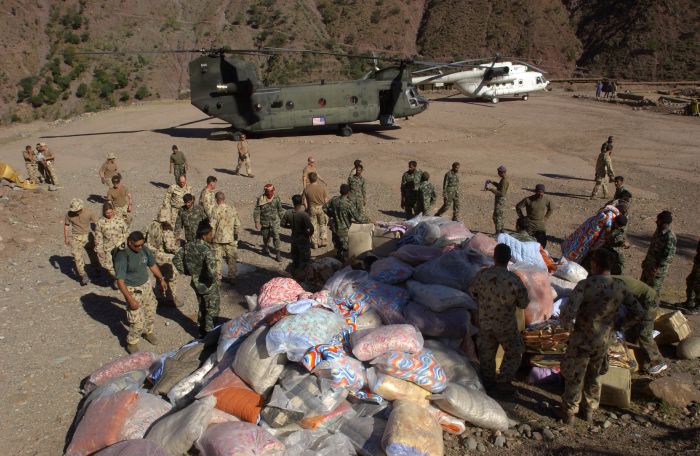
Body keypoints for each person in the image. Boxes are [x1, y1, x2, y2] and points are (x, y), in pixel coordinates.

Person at [559, 249, 643, 424]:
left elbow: (569, 312)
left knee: (575, 375)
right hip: (604, 340)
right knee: (594, 375)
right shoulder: (620, 287)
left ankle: (569, 412)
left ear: (595, 263)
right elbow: (638, 311)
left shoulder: (585, 285)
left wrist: (569, 328)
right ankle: (589, 410)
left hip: (581, 338)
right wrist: (619, 326)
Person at [469, 244, 529, 389]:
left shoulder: (483, 275)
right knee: (514, 351)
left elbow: (472, 291)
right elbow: (523, 303)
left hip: (485, 323)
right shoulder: (514, 280)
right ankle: (503, 381)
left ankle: (487, 382)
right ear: (509, 259)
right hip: (505, 325)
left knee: (486, 354)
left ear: (494, 257)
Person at [114, 231, 167, 353]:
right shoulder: (123, 256)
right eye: (137, 245)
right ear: (129, 242)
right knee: (137, 321)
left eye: (142, 244)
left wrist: (161, 278)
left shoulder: (144, 249)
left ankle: (148, 332)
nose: (139, 247)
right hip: (132, 289)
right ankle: (132, 342)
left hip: (146, 285)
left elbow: (152, 265)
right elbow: (120, 281)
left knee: (151, 310)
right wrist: (130, 299)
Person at [612, 274, 667, 375]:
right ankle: (645, 363)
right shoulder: (609, 280)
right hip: (640, 302)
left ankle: (658, 362)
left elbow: (636, 310)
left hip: (649, 302)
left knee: (644, 334)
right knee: (635, 330)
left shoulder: (614, 284)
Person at [173, 221, 220, 336]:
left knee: (202, 306)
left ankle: (201, 331)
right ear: (204, 236)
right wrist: (212, 278)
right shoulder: (207, 250)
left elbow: (176, 259)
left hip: (196, 282)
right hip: (208, 284)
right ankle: (210, 334)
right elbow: (212, 270)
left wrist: (186, 271)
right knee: (212, 309)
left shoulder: (188, 245)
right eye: (210, 234)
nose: (212, 236)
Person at [323, 184, 369, 261]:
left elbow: (324, 207)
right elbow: (358, 218)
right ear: (348, 192)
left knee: (337, 247)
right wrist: (369, 221)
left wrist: (332, 215)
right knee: (346, 249)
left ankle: (338, 261)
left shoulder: (334, 200)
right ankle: (345, 265)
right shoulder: (348, 204)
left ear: (340, 191)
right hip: (344, 230)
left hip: (335, 228)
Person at [145, 206, 180, 305]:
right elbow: (170, 247)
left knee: (158, 275)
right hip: (163, 257)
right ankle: (171, 298)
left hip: (151, 256)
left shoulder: (151, 224)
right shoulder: (166, 229)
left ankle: (158, 297)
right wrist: (180, 250)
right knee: (172, 276)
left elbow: (143, 236)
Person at [640, 210, 676, 295]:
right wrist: (646, 261)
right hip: (649, 265)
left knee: (653, 291)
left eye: (658, 220)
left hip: (657, 270)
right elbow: (652, 247)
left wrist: (656, 269)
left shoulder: (670, 237)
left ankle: (651, 307)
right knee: (642, 287)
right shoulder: (658, 231)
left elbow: (668, 257)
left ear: (664, 223)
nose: (656, 221)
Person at [64, 198, 98, 286]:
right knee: (77, 256)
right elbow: (66, 225)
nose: (76, 212)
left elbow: (96, 224)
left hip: (88, 235)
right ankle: (83, 275)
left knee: (92, 253)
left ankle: (97, 268)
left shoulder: (89, 212)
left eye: (78, 210)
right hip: (76, 237)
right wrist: (66, 237)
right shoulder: (69, 214)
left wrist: (98, 236)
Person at [94, 202, 129, 285]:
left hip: (120, 246)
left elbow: (126, 232)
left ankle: (123, 280)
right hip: (108, 247)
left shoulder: (119, 219)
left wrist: (122, 240)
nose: (109, 214)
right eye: (107, 213)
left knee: (122, 263)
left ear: (113, 210)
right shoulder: (100, 222)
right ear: (104, 212)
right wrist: (100, 250)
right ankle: (118, 278)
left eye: (111, 212)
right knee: (109, 266)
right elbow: (98, 237)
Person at [210, 191, 241, 283]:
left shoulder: (215, 210)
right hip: (230, 238)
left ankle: (218, 278)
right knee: (231, 259)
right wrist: (235, 235)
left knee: (217, 260)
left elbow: (212, 225)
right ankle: (232, 277)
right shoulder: (232, 208)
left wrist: (211, 238)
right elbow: (237, 224)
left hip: (218, 239)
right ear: (224, 198)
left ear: (216, 200)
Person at [281, 194, 314, 271]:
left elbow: (282, 224)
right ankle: (304, 273)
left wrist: (291, 227)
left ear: (293, 202)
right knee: (305, 258)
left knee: (295, 257)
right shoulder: (304, 215)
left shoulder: (288, 213)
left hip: (294, 237)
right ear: (302, 202)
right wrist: (309, 235)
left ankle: (295, 273)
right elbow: (311, 228)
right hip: (303, 238)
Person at [254, 184, 284, 261]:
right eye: (268, 192)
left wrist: (283, 220)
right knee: (265, 236)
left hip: (275, 222)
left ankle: (278, 254)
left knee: (276, 237)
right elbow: (257, 211)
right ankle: (266, 247)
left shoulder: (276, 198)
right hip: (265, 222)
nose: (270, 193)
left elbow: (280, 210)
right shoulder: (261, 199)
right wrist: (256, 222)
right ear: (265, 191)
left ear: (273, 190)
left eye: (271, 191)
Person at [303, 172, 329, 249]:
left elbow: (304, 200)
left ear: (309, 179)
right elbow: (326, 200)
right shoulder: (322, 187)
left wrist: (307, 208)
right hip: (321, 208)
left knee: (313, 225)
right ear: (316, 178)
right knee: (322, 224)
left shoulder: (307, 188)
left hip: (312, 208)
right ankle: (323, 240)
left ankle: (315, 243)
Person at [485, 165, 509, 234]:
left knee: (497, 216)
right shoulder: (503, 179)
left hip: (500, 201)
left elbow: (502, 193)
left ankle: (498, 232)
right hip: (500, 201)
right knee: (499, 216)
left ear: (502, 172)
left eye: (499, 172)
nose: (498, 174)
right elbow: (499, 186)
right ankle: (501, 231)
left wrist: (491, 189)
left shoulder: (504, 181)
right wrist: (492, 182)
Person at [681, 239, 700, 315]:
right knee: (690, 280)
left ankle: (698, 307)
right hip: (698, 262)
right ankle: (690, 302)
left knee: (698, 285)